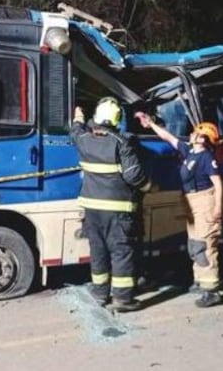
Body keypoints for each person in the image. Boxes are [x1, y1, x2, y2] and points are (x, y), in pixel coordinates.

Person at [136, 111, 223, 308]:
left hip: (204, 203)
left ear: (204, 139)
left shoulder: (206, 158)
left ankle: (212, 291)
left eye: (197, 133)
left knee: (205, 245)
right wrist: (150, 124)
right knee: (195, 245)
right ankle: (201, 281)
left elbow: (217, 183)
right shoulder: (189, 151)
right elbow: (168, 137)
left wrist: (218, 207)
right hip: (191, 203)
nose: (192, 134)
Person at [71, 97, 151, 312]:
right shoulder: (121, 142)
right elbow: (134, 176)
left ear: (96, 117)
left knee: (98, 250)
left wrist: (78, 115)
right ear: (116, 119)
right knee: (121, 252)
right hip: (118, 209)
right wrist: (149, 186)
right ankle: (123, 299)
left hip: (92, 209)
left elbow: (75, 130)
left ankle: (99, 293)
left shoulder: (84, 139)